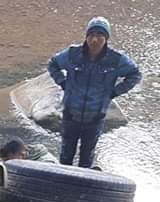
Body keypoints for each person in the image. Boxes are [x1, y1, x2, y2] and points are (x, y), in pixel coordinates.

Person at [47, 17, 141, 168]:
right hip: (71, 115)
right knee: (65, 156)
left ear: (106, 38)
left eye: (100, 35)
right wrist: (63, 83)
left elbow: (135, 74)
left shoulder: (116, 60)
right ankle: (63, 188)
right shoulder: (72, 54)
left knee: (86, 158)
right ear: (86, 36)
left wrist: (115, 92)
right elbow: (53, 64)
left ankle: (81, 189)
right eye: (91, 35)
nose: (95, 40)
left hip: (95, 117)